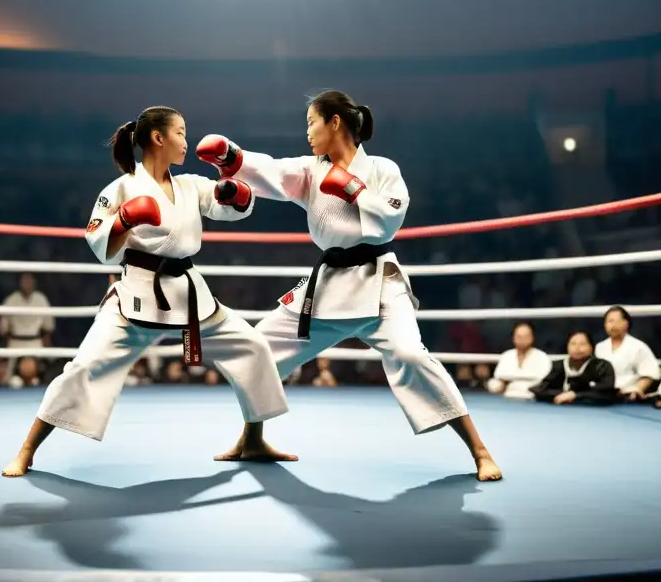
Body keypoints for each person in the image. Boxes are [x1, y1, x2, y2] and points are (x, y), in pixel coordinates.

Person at [196, 90, 502, 481]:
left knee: (411, 356)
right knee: (256, 352)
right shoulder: (311, 170)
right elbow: (273, 171)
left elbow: (392, 218)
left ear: (335, 122)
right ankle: (252, 438)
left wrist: (353, 189)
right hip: (327, 285)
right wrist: (232, 158)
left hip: (380, 282)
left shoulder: (382, 169)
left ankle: (480, 451)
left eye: (311, 122)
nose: (306, 132)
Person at [2, 106, 288, 477]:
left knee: (251, 346)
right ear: (159, 138)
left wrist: (237, 194)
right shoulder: (121, 188)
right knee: (84, 366)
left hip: (189, 294)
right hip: (136, 295)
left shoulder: (190, 185)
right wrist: (123, 220)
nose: (187, 141)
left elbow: (229, 207)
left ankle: (252, 438)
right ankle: (27, 449)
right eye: (181, 133)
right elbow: (98, 241)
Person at [531, 330, 617, 406]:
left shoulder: (602, 366)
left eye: (582, 344)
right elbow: (541, 389)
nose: (577, 348)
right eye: (573, 344)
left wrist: (576, 395)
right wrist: (563, 394)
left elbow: (607, 393)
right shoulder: (559, 366)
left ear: (591, 347)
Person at [594, 306, 661, 401]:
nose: (613, 325)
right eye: (610, 321)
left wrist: (637, 389)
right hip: (603, 397)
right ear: (605, 325)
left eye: (617, 321)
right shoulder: (599, 347)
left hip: (628, 397)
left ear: (626, 324)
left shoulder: (638, 347)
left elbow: (649, 374)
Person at [487, 321, 552, 400]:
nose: (522, 340)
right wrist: (501, 385)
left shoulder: (542, 357)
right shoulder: (507, 355)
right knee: (492, 383)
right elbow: (499, 379)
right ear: (513, 338)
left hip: (532, 398)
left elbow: (544, 383)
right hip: (507, 398)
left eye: (525, 336)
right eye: (519, 336)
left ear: (532, 338)